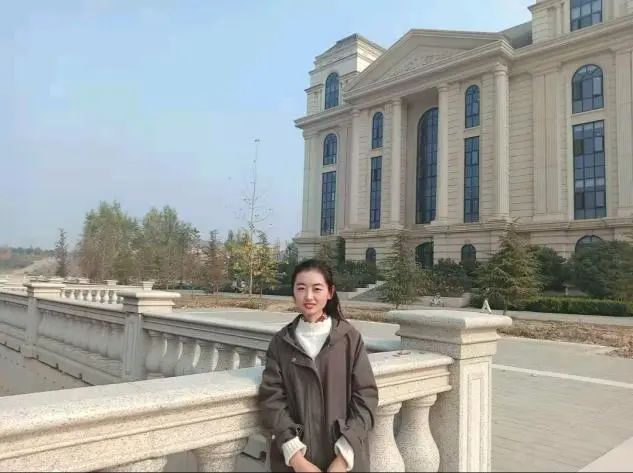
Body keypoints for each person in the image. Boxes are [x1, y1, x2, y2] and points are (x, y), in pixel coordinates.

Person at [258, 259, 378, 472]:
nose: (308, 296)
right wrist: (296, 458)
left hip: (343, 460)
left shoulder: (349, 338)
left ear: (330, 292)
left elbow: (365, 398)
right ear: (293, 292)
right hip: (296, 462)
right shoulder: (281, 342)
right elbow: (272, 399)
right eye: (301, 288)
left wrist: (343, 457)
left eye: (317, 288)